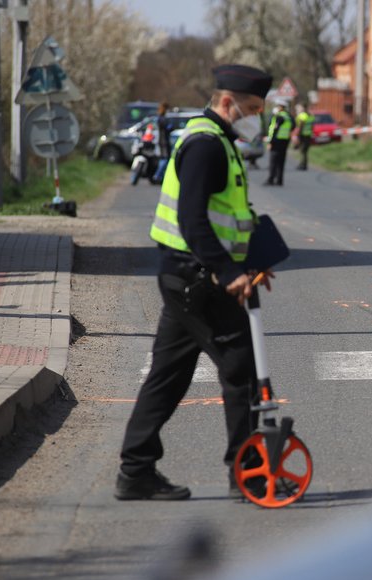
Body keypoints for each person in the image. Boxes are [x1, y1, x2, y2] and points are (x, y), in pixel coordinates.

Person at [115, 64, 274, 501]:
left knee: (168, 374)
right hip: (198, 280)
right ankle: (248, 476)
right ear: (228, 103)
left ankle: (136, 471)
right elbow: (193, 221)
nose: (257, 117)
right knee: (242, 371)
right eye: (253, 108)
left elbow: (231, 216)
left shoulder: (218, 139)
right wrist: (229, 272)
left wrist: (257, 258)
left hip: (183, 276)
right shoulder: (206, 145)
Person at [265, 99, 293, 186]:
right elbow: (293, 126)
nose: (276, 108)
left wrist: (270, 142)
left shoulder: (279, 117)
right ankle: (280, 180)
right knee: (281, 161)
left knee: (273, 161)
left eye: (277, 106)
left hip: (276, 142)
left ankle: (271, 179)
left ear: (281, 107)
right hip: (285, 141)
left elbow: (274, 130)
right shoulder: (289, 116)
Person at [151, 101, 171, 184]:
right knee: (165, 159)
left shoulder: (159, 117)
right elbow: (167, 128)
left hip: (161, 141)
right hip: (164, 141)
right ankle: (157, 175)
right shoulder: (162, 119)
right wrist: (171, 127)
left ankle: (161, 176)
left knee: (163, 158)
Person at [294, 103, 314, 170]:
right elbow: (312, 126)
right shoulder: (311, 115)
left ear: (303, 108)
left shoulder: (303, 115)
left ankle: (302, 165)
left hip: (302, 135)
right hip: (308, 135)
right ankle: (303, 164)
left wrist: (297, 136)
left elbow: (300, 126)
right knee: (305, 151)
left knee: (302, 151)